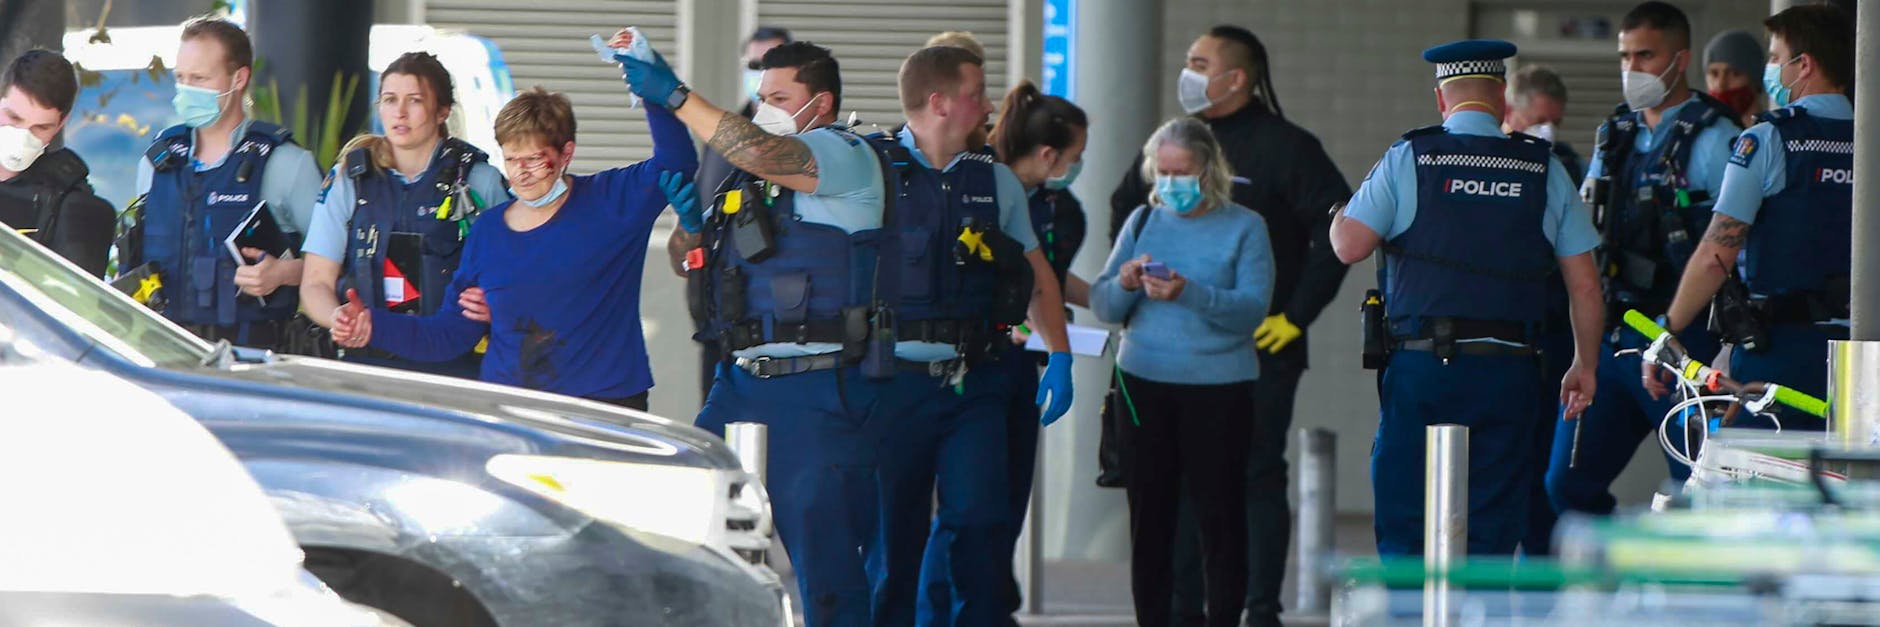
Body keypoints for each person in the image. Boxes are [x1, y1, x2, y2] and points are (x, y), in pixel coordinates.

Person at [1108, 25, 1349, 627]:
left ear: (1235, 76)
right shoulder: (1173, 148)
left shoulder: (1287, 148)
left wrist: (1295, 316)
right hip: (1160, 360)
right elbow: (1125, 209)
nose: (1187, 72)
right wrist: (1131, 284)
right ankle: (1184, 609)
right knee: (1176, 493)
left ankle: (1258, 608)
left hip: (1259, 347)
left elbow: (1339, 235)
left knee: (1253, 479)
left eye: (1198, 62)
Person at [1330, 39, 1602, 556]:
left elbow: (1349, 247)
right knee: (1493, 526)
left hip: (1422, 369)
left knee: (1406, 519)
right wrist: (1583, 363)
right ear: (1502, 99)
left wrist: (1341, 216)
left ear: (1441, 100)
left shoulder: (1410, 156)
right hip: (1510, 371)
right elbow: (1585, 285)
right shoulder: (1543, 168)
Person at [329, 31, 699, 410]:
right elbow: (449, 335)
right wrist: (372, 324)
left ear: (566, 153)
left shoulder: (611, 199)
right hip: (514, 410)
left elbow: (678, 163)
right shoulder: (488, 231)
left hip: (604, 407)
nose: (520, 173)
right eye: (511, 159)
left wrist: (653, 91)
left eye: (534, 159)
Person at [868, 46, 1074, 627]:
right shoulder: (869, 170)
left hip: (972, 383)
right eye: (976, 92)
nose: (988, 104)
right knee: (893, 539)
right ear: (939, 102)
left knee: (983, 522)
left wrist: (1059, 355)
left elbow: (1037, 279)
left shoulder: (996, 181)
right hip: (890, 385)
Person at [1543, 2, 1741, 527]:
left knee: (1699, 489)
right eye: (1625, 56)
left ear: (1681, 58)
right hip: (1618, 339)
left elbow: (1737, 245)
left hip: (1687, 342)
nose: (1633, 68)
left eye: (1646, 55)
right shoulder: (1616, 135)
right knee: (1566, 483)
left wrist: (1725, 348)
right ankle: (1608, 587)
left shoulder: (1717, 137)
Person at [918, 79, 1089, 627]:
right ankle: (939, 611)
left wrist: (1059, 343)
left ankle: (988, 608)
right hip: (965, 363)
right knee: (965, 507)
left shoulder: (1058, 207)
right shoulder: (970, 182)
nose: (1076, 165)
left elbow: (1048, 280)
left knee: (1001, 502)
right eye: (1075, 156)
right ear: (1046, 153)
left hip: (1017, 365)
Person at [1092, 117, 1273, 627]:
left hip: (1219, 388)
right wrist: (1126, 281)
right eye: (1162, 172)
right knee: (1150, 520)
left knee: (1219, 518)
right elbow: (1105, 304)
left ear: (1209, 170)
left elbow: (1251, 310)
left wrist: (1188, 291)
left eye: (1182, 171)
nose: (1171, 183)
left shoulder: (1246, 226)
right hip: (1143, 382)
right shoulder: (1142, 222)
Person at [1652, 4, 1854, 432]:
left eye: (1775, 58)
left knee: (1756, 488)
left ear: (1805, 66)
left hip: (1783, 350)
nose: (1769, 68)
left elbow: (1716, 253)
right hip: (1863, 353)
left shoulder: (1768, 138)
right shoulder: (1869, 139)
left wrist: (1667, 331)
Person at [299, 51, 510, 376]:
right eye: (389, 99)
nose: (399, 112)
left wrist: (495, 304)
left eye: (414, 100)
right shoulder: (349, 178)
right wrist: (338, 318)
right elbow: (315, 282)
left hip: (453, 367)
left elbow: (515, 271)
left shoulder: (478, 178)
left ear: (442, 111)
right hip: (366, 364)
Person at [120, 17, 323, 351]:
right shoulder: (158, 162)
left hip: (251, 360)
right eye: (181, 78)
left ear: (238, 78)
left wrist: (283, 273)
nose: (186, 89)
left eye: (199, 78)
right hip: (162, 353)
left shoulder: (286, 163)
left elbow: (337, 263)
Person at [1502, 61, 1596, 555]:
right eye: (1539, 119)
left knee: (1547, 465)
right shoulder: (1487, 165)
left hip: (1555, 337)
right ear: (1508, 113)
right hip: (1502, 336)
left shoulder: (1566, 167)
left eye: (1556, 120)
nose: (1549, 131)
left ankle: (1541, 576)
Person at [673, 25, 792, 398]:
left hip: (791, 336)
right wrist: (691, 230)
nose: (760, 72)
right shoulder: (718, 144)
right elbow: (682, 256)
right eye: (754, 64)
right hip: (723, 331)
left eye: (770, 63)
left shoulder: (813, 147)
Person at [0, 49, 113, 277]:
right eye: (13, 118)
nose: (22, 136)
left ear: (61, 124)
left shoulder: (71, 207)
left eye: (40, 128)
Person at [1504, 65, 1584, 185]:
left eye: (1555, 123)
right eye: (1539, 122)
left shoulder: (1571, 169)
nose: (1548, 132)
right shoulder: (1482, 158)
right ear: (1508, 112)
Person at [1705, 29, 1767, 127]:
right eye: (1714, 73)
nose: (1721, 84)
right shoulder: (1703, 137)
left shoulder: (1773, 136)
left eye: (1734, 73)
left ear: (1755, 79)